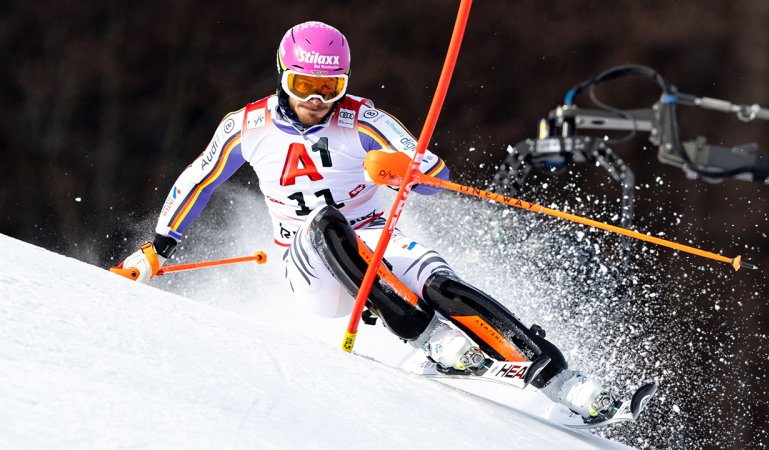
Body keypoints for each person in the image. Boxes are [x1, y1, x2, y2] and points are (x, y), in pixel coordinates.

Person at [116, 21, 620, 423]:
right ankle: (426, 337)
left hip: (378, 235)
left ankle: (562, 383)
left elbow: (431, 170)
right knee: (325, 222)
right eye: (305, 85)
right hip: (309, 264)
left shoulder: (363, 118)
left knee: (439, 282)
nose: (317, 99)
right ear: (282, 77)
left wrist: (407, 171)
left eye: (329, 87)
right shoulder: (247, 126)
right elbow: (196, 180)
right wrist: (159, 247)